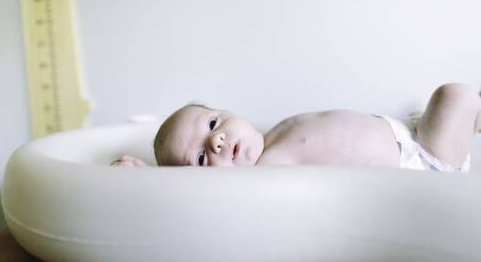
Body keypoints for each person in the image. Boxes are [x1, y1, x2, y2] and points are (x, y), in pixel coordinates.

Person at [111, 83, 480, 172]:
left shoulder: (273, 134)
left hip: (404, 129)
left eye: (213, 123)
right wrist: (146, 177)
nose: (218, 140)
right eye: (202, 159)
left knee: (451, 110)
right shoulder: (266, 172)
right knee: (455, 97)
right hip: (422, 163)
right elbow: (184, 204)